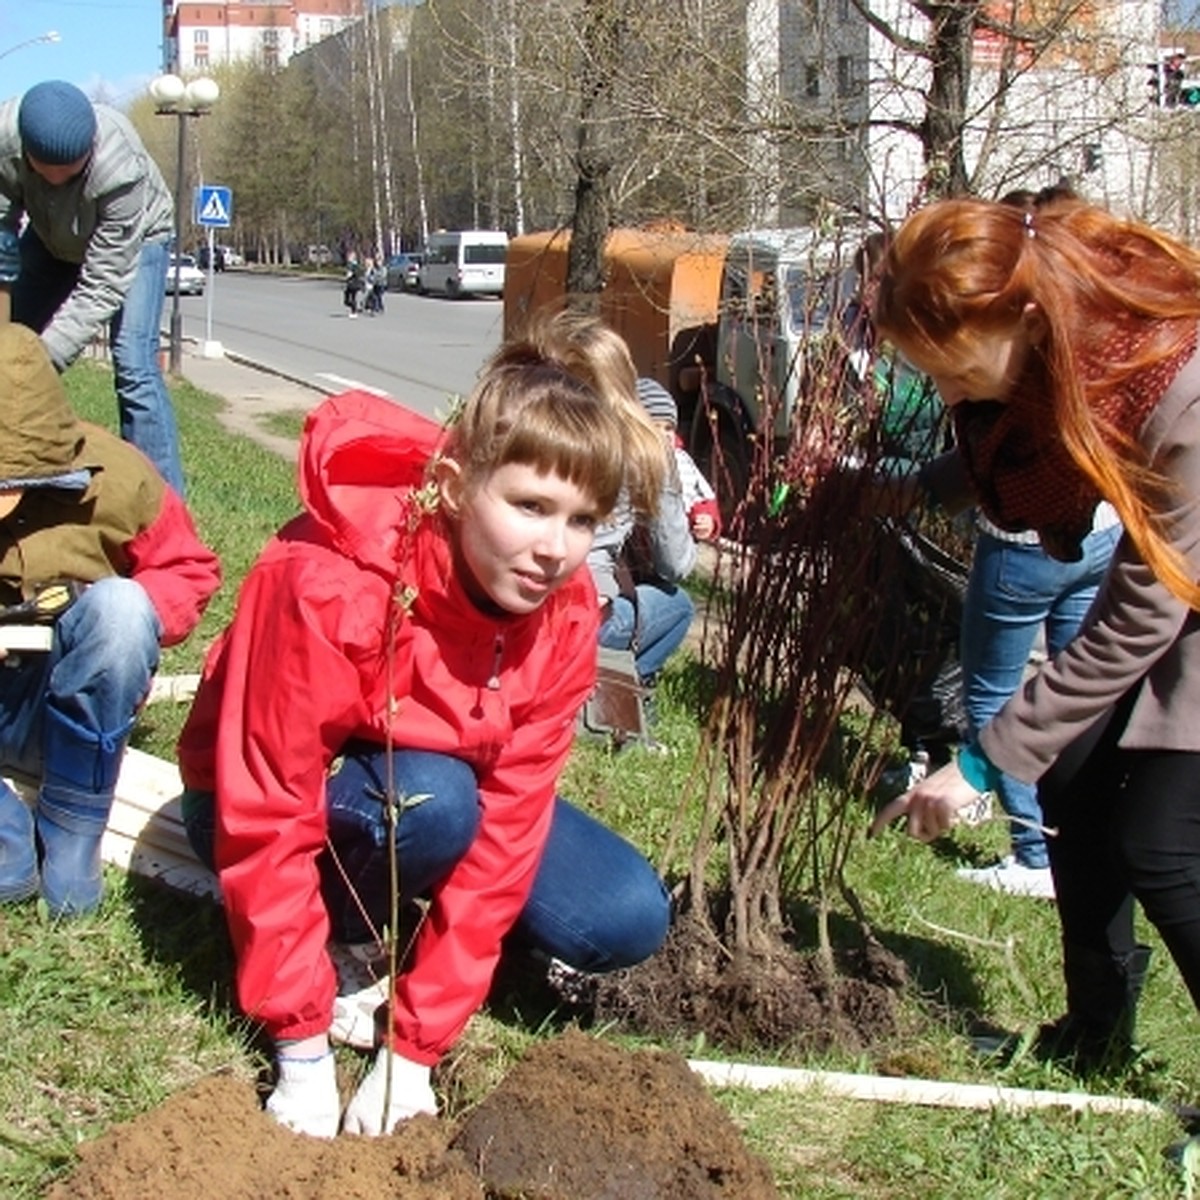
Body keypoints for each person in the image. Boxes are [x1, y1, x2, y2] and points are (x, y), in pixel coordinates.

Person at [176, 311, 673, 1139]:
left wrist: (415, 1050)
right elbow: (264, 811)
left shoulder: (567, 613)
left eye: (581, 520)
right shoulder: (328, 587)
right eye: (529, 505)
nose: (554, 549)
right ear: (454, 486)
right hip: (253, 805)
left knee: (624, 910)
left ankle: (411, 955)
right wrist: (300, 1050)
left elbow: (511, 830)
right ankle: (330, 956)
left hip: (441, 799)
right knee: (436, 801)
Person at [870, 195, 1200, 1070]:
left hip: (1182, 590)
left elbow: (1139, 619)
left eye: (949, 367)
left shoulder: (1178, 387)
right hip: (1182, 583)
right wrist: (914, 488)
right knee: (1075, 773)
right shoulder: (1070, 353)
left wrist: (980, 763)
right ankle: (1098, 1028)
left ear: (1016, 316)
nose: (944, 392)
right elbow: (1037, 447)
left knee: (1164, 845)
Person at [0, 324, 220, 918]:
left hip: (68, 706)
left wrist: (115, 616)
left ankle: (75, 821)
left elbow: (188, 571)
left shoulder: (121, 479)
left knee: (121, 610)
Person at [0, 80, 185, 495]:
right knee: (10, 343)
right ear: (27, 154)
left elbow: (100, 285)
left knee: (133, 361)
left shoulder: (121, 167)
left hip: (139, 240)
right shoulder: (4, 138)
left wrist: (38, 364)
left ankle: (165, 504)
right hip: (50, 238)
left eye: (74, 173)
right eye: (49, 176)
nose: (61, 182)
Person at [588, 378, 703, 688]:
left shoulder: (591, 449)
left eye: (670, 429)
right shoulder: (650, 460)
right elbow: (675, 564)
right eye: (657, 426)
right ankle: (629, 692)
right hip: (585, 621)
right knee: (678, 605)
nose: (664, 437)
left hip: (536, 612)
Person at [343, 251, 364, 317]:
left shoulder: (354, 265)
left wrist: (349, 275)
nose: (348, 258)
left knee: (352, 297)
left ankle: (354, 311)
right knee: (348, 298)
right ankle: (354, 309)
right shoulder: (351, 265)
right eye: (348, 257)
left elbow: (352, 274)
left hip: (354, 284)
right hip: (351, 283)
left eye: (350, 257)